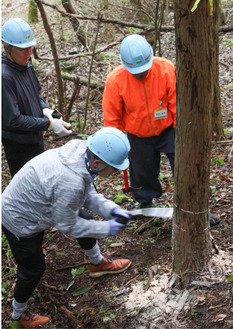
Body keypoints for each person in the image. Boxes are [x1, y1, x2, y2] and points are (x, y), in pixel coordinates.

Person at [2, 127, 132, 328]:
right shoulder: (69, 180)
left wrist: (111, 210)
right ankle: (18, 315)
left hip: (42, 206)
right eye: (114, 168)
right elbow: (67, 224)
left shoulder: (82, 155)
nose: (116, 173)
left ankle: (97, 264)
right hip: (20, 220)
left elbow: (86, 193)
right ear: (97, 163)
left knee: (84, 216)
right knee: (33, 268)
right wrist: (106, 228)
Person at [102, 34, 176, 208]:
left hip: (168, 128)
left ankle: (194, 201)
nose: (141, 74)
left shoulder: (165, 69)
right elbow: (112, 117)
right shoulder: (115, 80)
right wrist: (116, 144)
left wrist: (181, 128)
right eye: (136, 71)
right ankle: (145, 201)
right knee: (142, 170)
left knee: (183, 164)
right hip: (137, 133)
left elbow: (176, 102)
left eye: (144, 69)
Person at [1, 17, 72, 178]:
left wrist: (45, 109)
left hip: (35, 138)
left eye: (30, 48)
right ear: (7, 48)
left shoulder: (26, 63)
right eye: (22, 49)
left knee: (42, 182)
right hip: (18, 146)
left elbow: (35, 93)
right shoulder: (4, 77)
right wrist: (48, 123)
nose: (28, 53)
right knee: (26, 188)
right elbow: (12, 120)